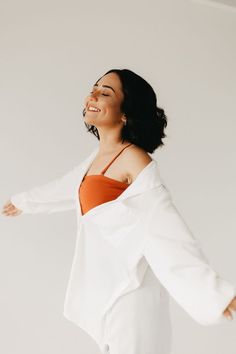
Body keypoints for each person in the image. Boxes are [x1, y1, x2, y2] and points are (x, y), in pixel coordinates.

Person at [2, 69, 236, 354]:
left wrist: (214, 293)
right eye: (94, 88)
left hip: (132, 292)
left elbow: (164, 224)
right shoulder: (98, 158)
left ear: (125, 112)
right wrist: (25, 201)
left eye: (105, 93)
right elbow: (67, 187)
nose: (93, 95)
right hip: (110, 290)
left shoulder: (134, 159)